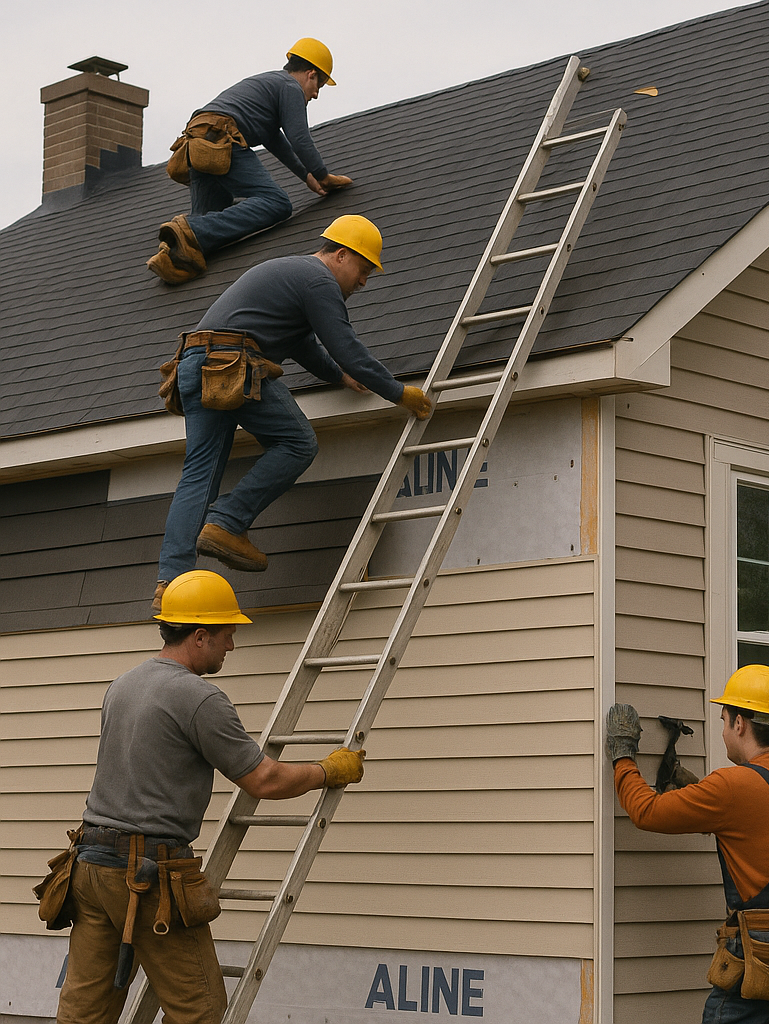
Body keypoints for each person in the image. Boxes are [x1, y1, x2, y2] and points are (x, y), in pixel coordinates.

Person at [54, 571, 366, 1024]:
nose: (232, 646)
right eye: (227, 634)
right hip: (145, 876)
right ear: (199, 636)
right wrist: (328, 771)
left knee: (84, 1013)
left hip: (90, 868)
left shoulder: (123, 685)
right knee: (198, 1011)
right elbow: (265, 781)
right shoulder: (199, 698)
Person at [153, 214, 432, 614]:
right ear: (339, 255)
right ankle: (228, 522)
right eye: (364, 268)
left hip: (195, 362)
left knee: (200, 471)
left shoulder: (290, 275)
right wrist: (399, 392)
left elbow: (305, 346)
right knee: (298, 442)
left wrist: (339, 377)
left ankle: (170, 582)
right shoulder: (318, 280)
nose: (365, 281)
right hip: (232, 361)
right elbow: (345, 345)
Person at [607, 665, 769, 1023]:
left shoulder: (732, 786)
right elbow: (761, 826)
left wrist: (623, 756)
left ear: (739, 724)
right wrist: (696, 794)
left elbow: (647, 811)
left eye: (723, 719)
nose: (723, 730)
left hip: (768, 949)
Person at [148, 37, 353, 285]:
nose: (316, 95)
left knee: (207, 223)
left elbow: (275, 140)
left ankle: (171, 256)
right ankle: (191, 230)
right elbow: (299, 137)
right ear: (311, 74)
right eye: (318, 85)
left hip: (198, 145)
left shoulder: (269, 85)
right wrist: (322, 174)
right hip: (223, 139)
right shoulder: (289, 87)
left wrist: (307, 177)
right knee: (276, 203)